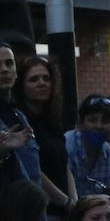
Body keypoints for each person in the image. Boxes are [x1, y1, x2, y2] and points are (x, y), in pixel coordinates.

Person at [13, 54, 74, 215]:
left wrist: (75, 200)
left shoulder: (52, 123)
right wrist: (65, 201)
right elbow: (34, 169)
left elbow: (64, 164)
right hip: (41, 210)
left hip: (65, 210)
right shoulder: (19, 123)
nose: (42, 83)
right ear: (21, 86)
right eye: (34, 79)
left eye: (46, 78)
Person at [0, 44, 42, 190]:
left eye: (9, 63)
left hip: (32, 206)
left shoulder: (20, 115)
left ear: (16, 72)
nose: (4, 69)